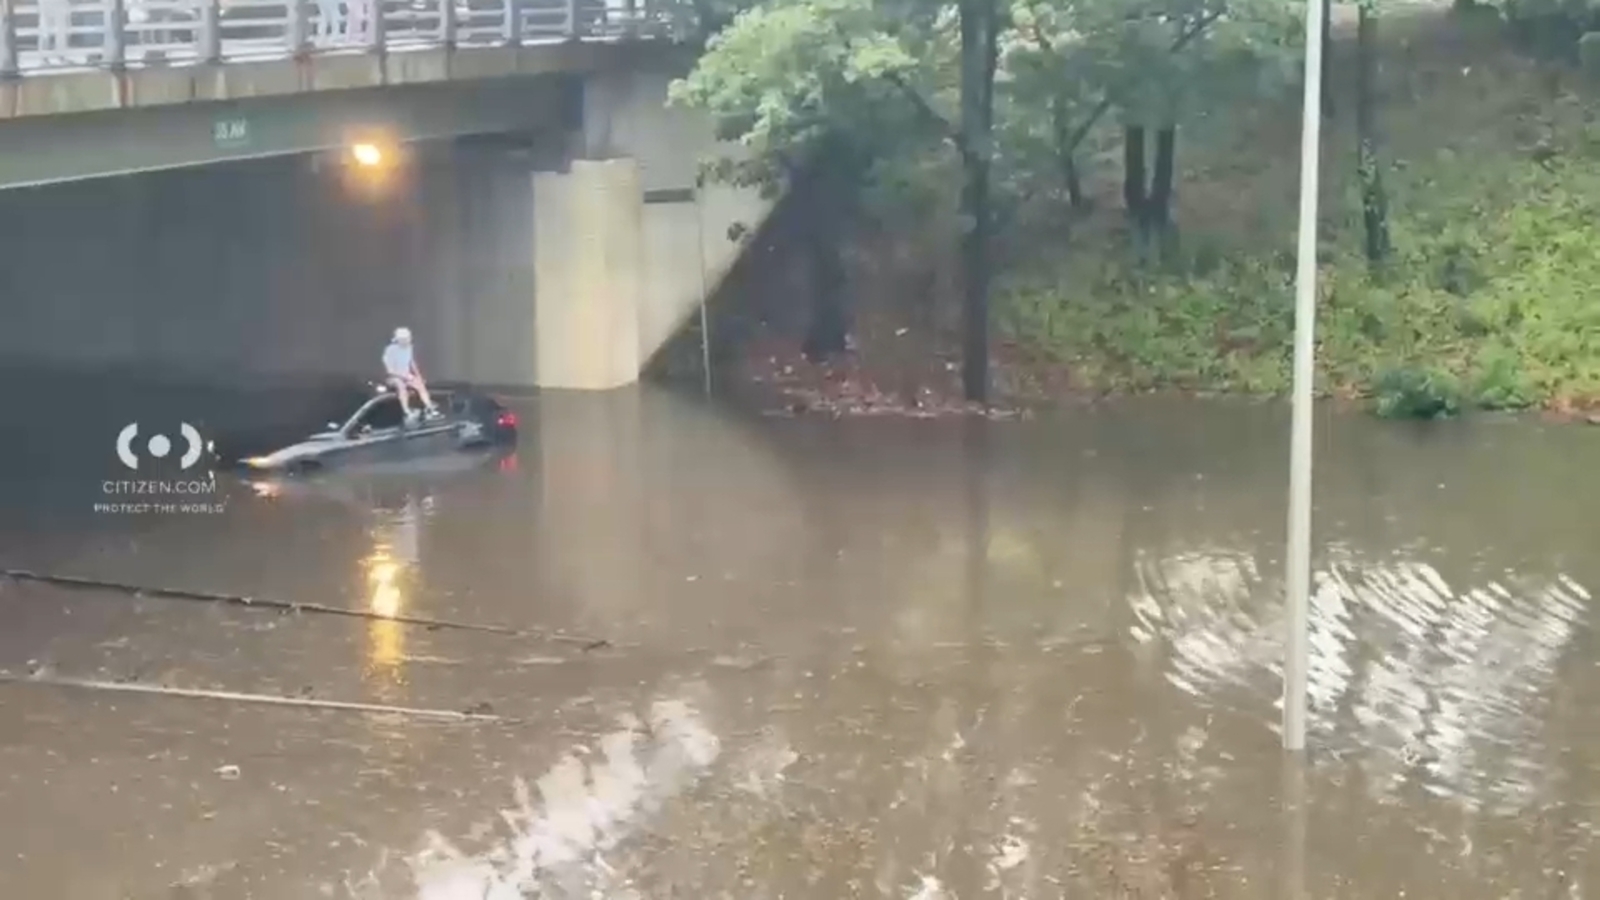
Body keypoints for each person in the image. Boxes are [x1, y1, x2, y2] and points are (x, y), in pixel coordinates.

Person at [382, 327, 440, 423]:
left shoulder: (409, 348)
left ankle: (430, 407)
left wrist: (418, 376)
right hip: (394, 377)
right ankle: (406, 411)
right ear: (399, 340)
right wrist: (404, 376)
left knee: (419, 385)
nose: (407, 341)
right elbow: (390, 370)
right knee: (401, 385)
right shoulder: (390, 350)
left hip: (407, 376)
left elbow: (412, 363)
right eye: (405, 339)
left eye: (408, 339)